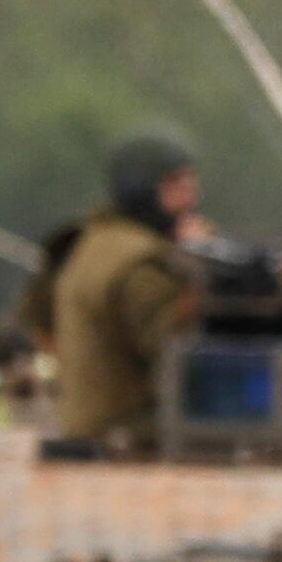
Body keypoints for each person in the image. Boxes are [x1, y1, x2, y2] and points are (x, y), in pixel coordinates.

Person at [18, 129, 208, 454]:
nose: (191, 198)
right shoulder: (142, 262)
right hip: (129, 444)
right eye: (177, 185)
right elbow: (176, 353)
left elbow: (37, 320)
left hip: (82, 434)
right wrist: (199, 270)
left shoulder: (87, 241)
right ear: (145, 191)